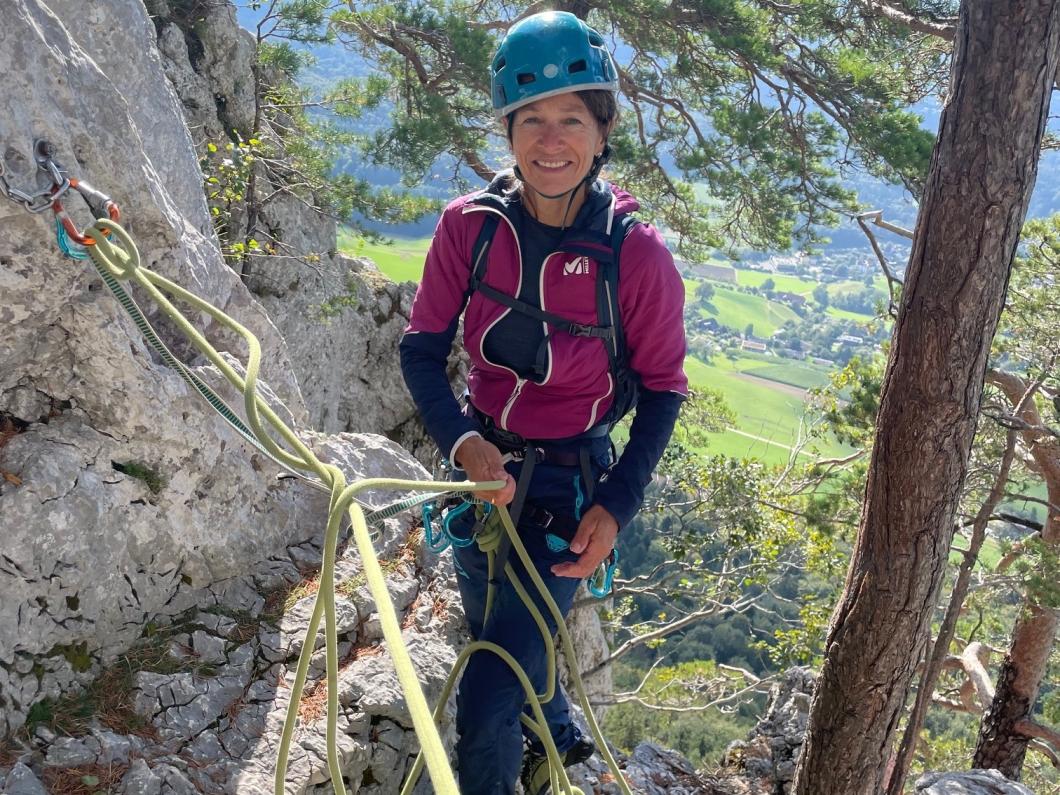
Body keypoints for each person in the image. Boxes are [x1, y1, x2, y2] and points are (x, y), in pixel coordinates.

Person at [399, 11, 688, 794]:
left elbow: (664, 388)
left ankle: (509, 765)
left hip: (568, 485)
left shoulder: (636, 255)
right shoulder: (470, 228)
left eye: (572, 119)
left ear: (603, 132)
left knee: (490, 685)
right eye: (532, 119)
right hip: (480, 471)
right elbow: (421, 350)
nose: (551, 140)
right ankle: (557, 734)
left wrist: (616, 505)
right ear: (508, 129)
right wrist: (463, 444)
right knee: (500, 632)